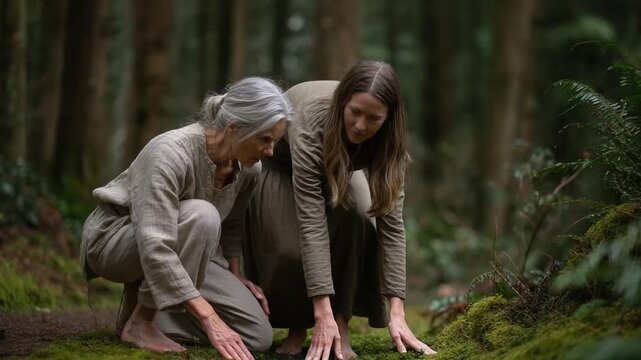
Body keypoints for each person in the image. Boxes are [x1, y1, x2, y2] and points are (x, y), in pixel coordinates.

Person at [80, 77, 293, 359]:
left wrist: (235, 273)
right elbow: (154, 243)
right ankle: (142, 320)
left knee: (257, 335)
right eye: (265, 139)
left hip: (187, 249)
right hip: (117, 241)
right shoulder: (169, 152)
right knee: (203, 216)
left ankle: (145, 313)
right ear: (234, 128)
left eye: (275, 141)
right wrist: (209, 318)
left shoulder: (249, 170)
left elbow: (231, 225)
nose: (270, 151)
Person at [244, 61, 437, 359]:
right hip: (284, 166)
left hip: (344, 165)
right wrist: (319, 313)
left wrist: (396, 311)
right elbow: (312, 221)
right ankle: (301, 324)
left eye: (373, 118)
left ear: (389, 118)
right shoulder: (312, 119)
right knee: (289, 248)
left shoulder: (390, 145)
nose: (361, 126)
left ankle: (341, 320)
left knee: (361, 219)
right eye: (355, 112)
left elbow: (392, 226)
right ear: (343, 101)